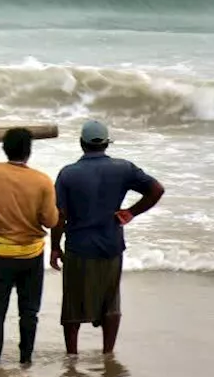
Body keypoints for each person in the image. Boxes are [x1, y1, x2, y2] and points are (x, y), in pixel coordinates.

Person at [50, 120, 164, 355]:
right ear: (106, 144)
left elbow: (60, 215)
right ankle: (107, 352)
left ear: (81, 144)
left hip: (78, 246)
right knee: (111, 301)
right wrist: (131, 212)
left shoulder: (68, 174)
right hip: (111, 244)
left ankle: (72, 355)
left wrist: (54, 247)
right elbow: (156, 189)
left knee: (73, 304)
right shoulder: (123, 168)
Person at [0, 127, 58, 366]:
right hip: (30, 254)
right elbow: (51, 220)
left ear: (5, 149)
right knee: (29, 312)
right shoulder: (42, 181)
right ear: (29, 151)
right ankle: (25, 360)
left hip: (0, 253)